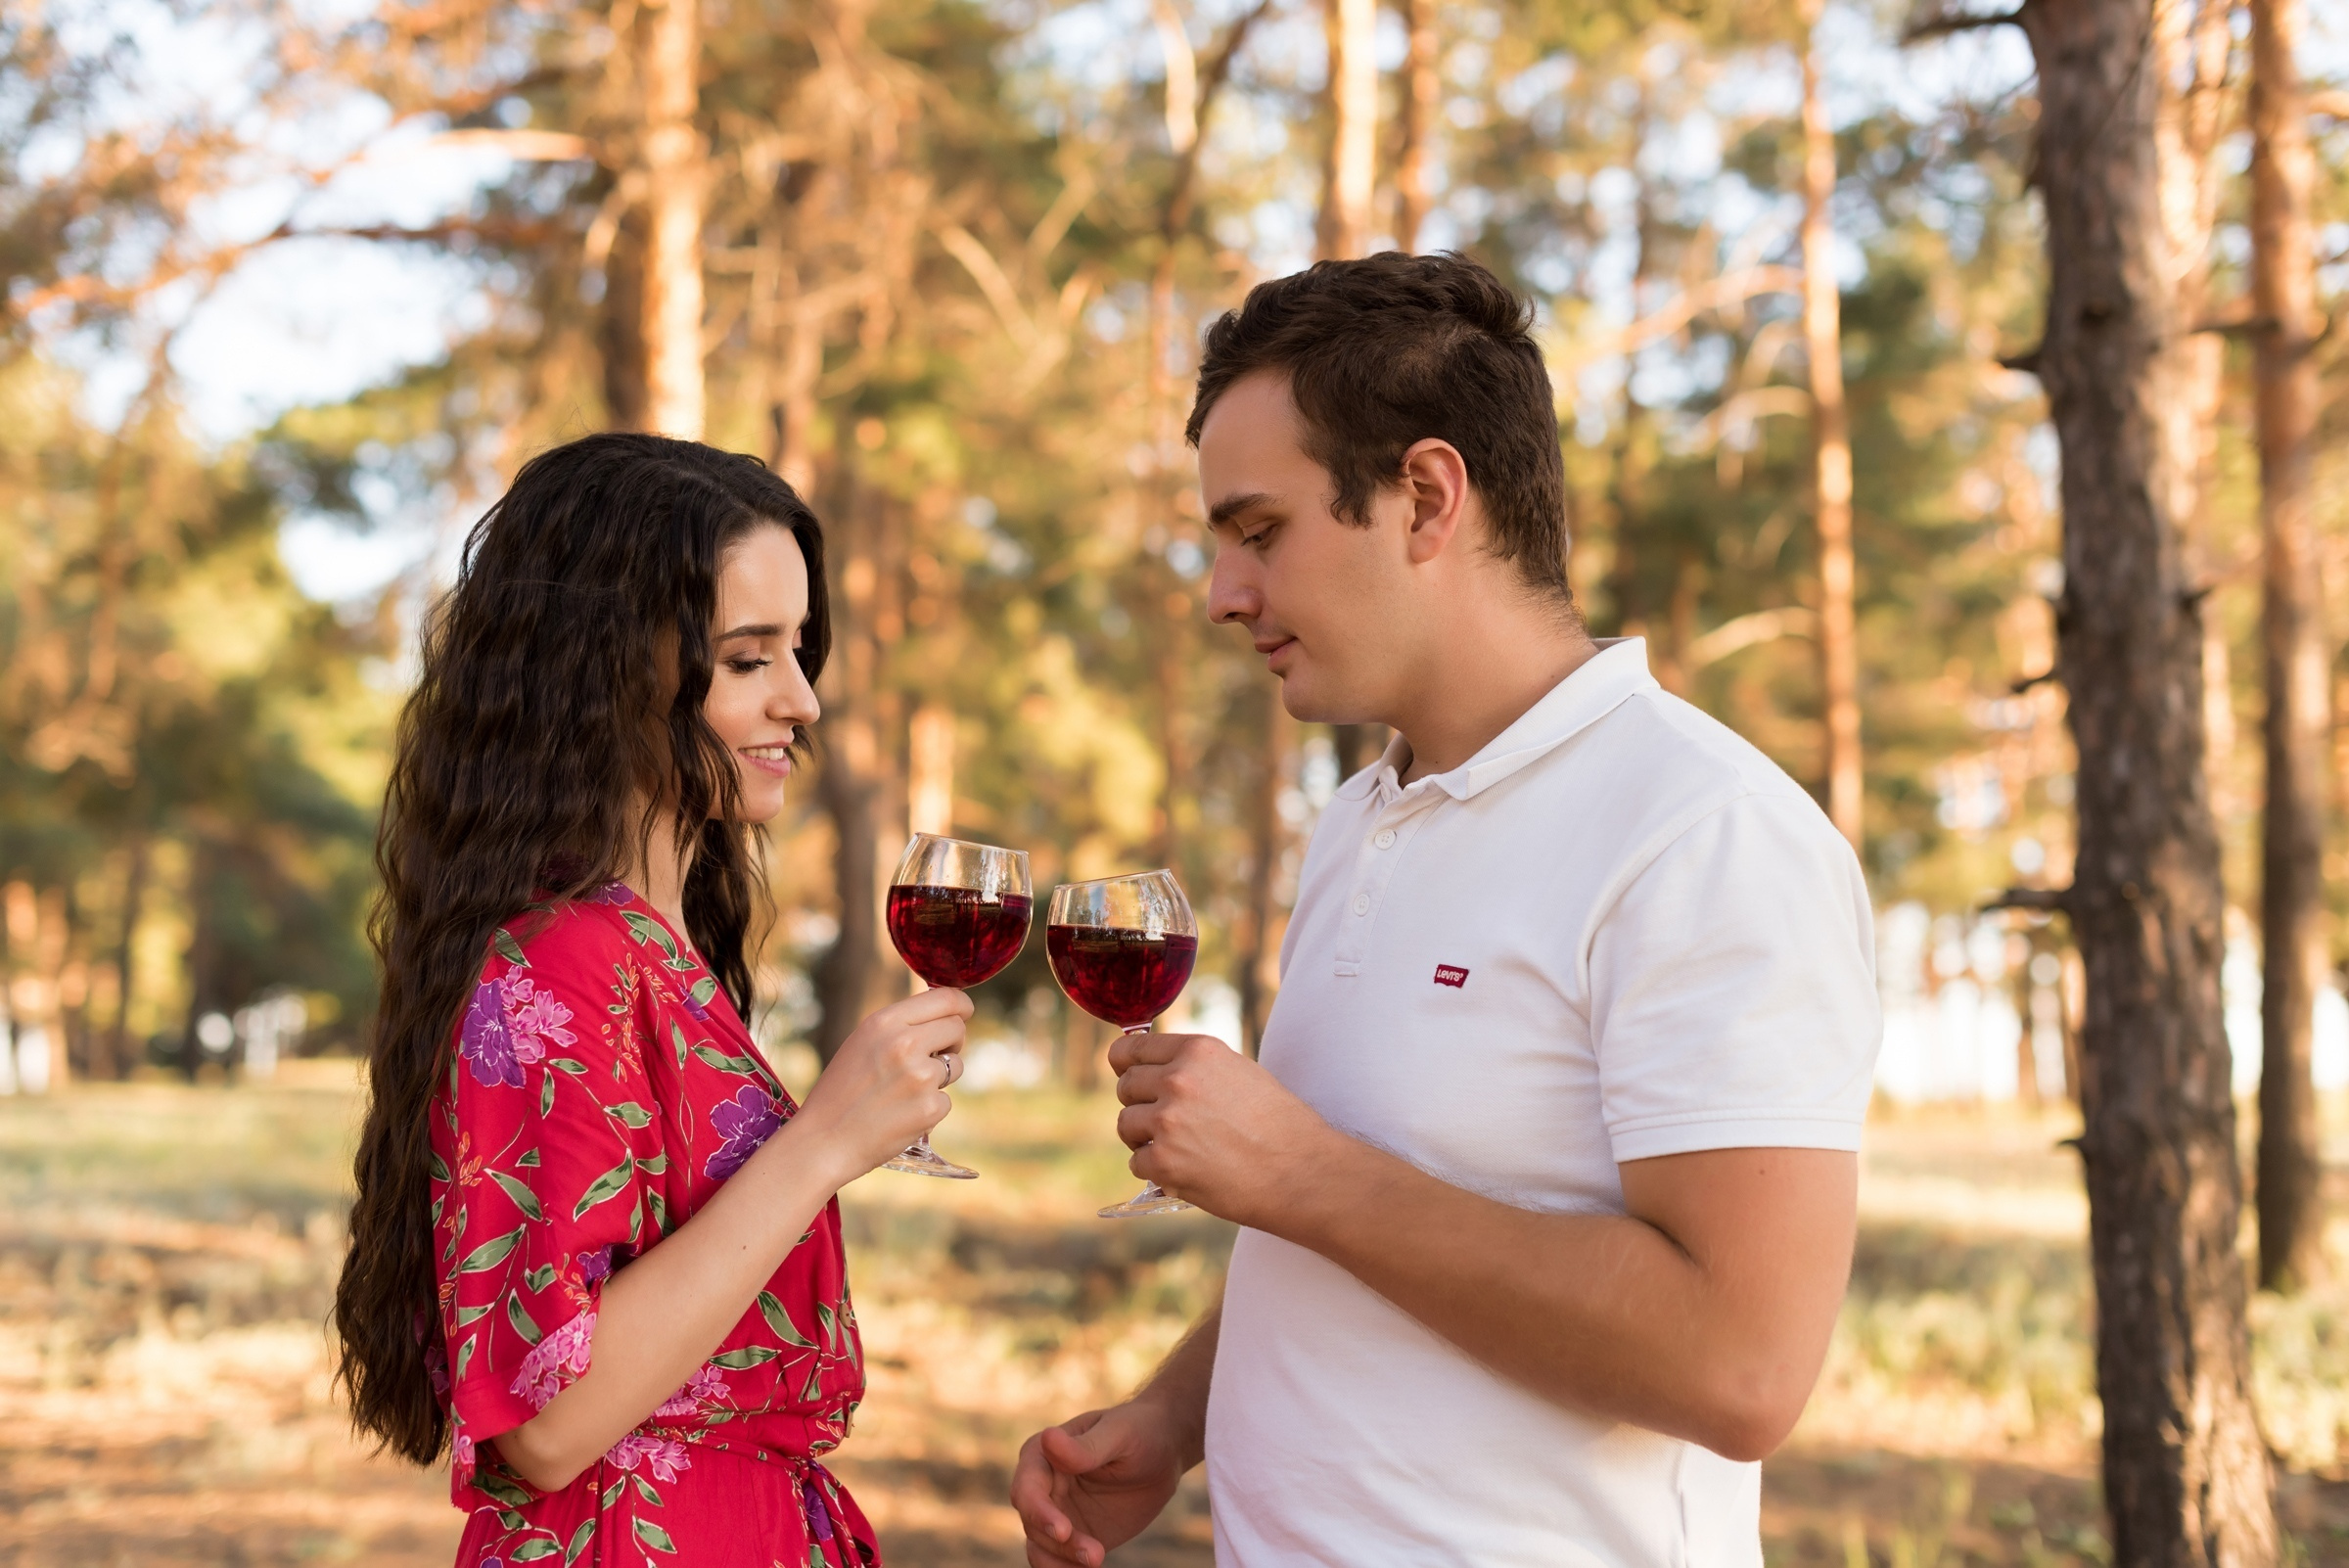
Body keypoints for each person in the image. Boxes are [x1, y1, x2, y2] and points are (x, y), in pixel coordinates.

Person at [1010, 254, 1880, 1566]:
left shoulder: (1703, 834)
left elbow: (1744, 1365)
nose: (1222, 594)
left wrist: (1296, 1170)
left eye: (1259, 532)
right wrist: (1175, 1414)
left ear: (1425, 496)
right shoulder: (1364, 818)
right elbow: (1365, 1213)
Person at [334, 433, 970, 1567]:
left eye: (799, 649)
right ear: (606, 672)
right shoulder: (559, 962)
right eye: (746, 659)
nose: (804, 700)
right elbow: (547, 1419)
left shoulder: (648, 949)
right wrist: (823, 1141)